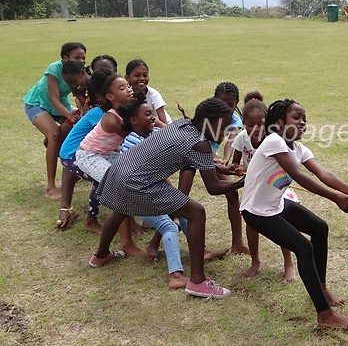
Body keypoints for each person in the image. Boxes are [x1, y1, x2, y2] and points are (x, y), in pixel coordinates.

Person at [89, 98, 244, 299]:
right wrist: (242, 183)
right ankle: (198, 281)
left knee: (121, 208)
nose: (226, 132)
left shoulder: (182, 125)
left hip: (119, 170)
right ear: (209, 123)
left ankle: (100, 255)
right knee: (196, 212)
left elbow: (198, 160)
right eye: (224, 127)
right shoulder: (200, 143)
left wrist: (223, 169)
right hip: (136, 182)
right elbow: (213, 187)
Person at [240, 98, 348, 330]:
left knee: (320, 228)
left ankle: (321, 288)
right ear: (279, 122)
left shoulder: (298, 149)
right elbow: (299, 176)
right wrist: (335, 198)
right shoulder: (274, 141)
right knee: (304, 247)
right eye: (296, 118)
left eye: (304, 119)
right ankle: (325, 315)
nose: (302, 123)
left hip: (276, 205)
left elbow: (323, 173)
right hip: (256, 212)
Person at [117, 97, 190, 289]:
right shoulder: (131, 142)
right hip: (136, 195)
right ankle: (175, 276)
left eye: (153, 114)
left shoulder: (155, 133)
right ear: (134, 120)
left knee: (186, 212)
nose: (153, 118)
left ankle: (200, 251)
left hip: (153, 191)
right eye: (148, 114)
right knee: (169, 226)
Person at [75, 72, 143, 255]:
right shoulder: (112, 119)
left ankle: (134, 224)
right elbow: (136, 135)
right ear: (110, 97)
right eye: (122, 88)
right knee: (118, 187)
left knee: (129, 179)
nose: (128, 89)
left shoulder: (130, 109)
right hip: (89, 156)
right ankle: (126, 244)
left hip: (109, 153)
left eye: (128, 86)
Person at [229, 96, 296, 281]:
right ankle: (255, 262)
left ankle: (288, 263)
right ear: (243, 124)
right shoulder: (242, 138)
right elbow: (235, 163)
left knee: (282, 221)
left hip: (275, 186)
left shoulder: (273, 140)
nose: (257, 129)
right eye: (251, 125)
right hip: (254, 190)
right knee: (252, 223)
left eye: (262, 124)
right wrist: (237, 168)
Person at [178, 81, 248, 254]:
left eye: (230, 105)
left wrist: (225, 160)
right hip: (194, 153)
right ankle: (156, 242)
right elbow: (200, 141)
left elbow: (231, 141)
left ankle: (237, 243)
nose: (226, 107)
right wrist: (217, 160)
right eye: (222, 102)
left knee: (232, 193)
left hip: (209, 155)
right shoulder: (208, 113)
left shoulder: (234, 120)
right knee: (180, 199)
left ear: (237, 103)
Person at [23, 42, 87, 199]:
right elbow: (53, 98)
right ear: (65, 57)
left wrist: (83, 112)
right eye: (77, 57)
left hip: (60, 105)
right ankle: (50, 187)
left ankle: (73, 168)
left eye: (83, 58)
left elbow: (79, 96)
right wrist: (69, 116)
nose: (81, 61)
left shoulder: (79, 71)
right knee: (54, 134)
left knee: (80, 129)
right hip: (38, 104)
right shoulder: (54, 68)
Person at [57, 68, 112, 231]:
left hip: (83, 152)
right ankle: (91, 221)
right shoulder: (99, 113)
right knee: (100, 179)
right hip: (71, 155)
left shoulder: (103, 111)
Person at [125, 58, 171, 125]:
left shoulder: (154, 95)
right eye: (137, 75)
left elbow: (164, 123)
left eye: (145, 75)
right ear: (127, 78)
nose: (142, 78)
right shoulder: (127, 95)